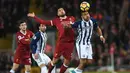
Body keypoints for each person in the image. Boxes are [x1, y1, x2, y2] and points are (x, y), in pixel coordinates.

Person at [28, 8, 75, 73]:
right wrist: (34, 17)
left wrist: (68, 25)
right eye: (59, 11)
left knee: (67, 62)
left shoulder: (71, 18)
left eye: (62, 10)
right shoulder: (56, 21)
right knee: (54, 61)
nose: (61, 11)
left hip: (70, 43)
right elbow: (43, 22)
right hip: (61, 43)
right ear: (57, 14)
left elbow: (72, 24)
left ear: (65, 11)